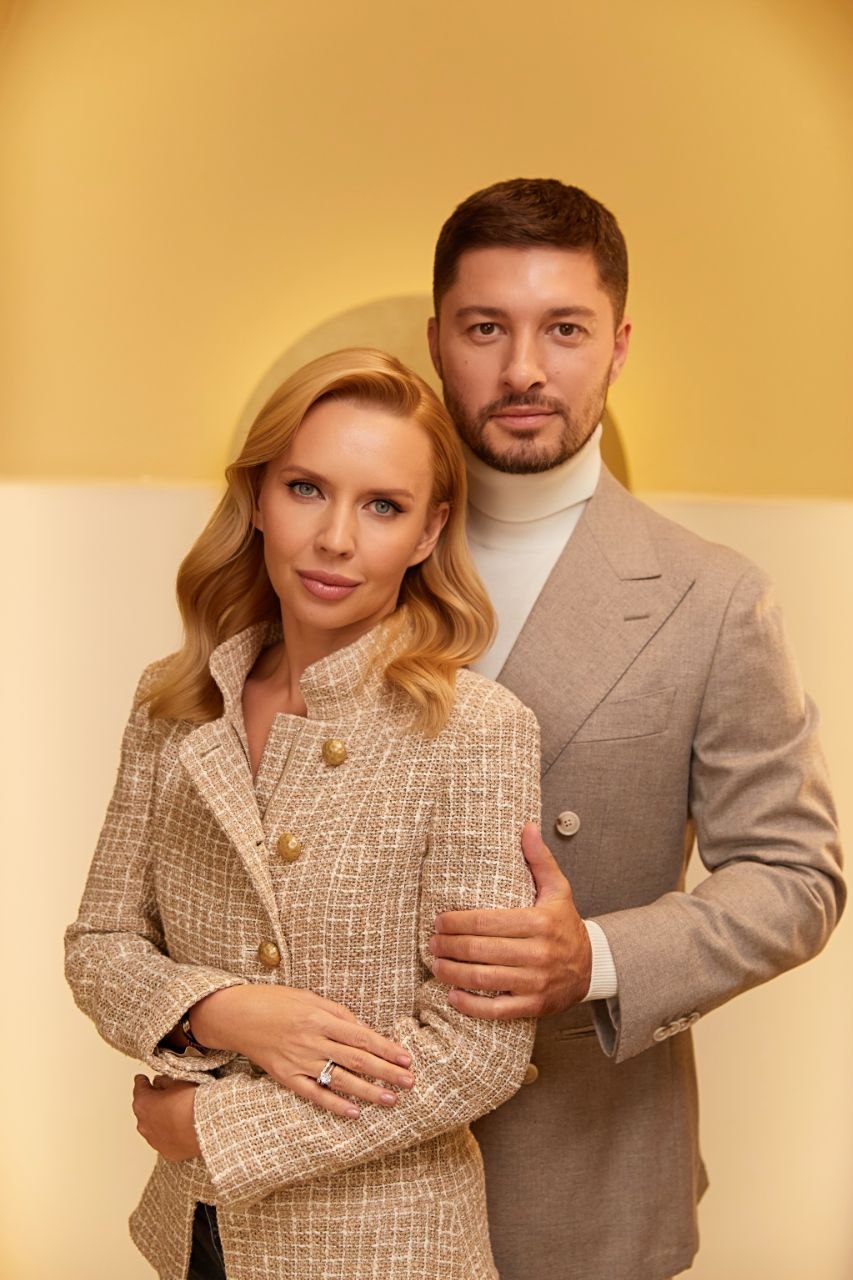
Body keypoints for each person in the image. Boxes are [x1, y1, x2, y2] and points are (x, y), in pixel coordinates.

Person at [422, 178, 845, 1280]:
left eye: (563, 329)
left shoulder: (713, 596)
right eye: (485, 327)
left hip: (581, 1178)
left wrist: (599, 957)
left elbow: (796, 874)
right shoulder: (347, 557)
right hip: (337, 1171)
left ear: (616, 345)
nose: (523, 368)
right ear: (436, 341)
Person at [65, 348, 541, 1280]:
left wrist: (216, 1124)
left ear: (428, 531)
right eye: (305, 488)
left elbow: (477, 1050)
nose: (334, 539)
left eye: (382, 506)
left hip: (390, 1251)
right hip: (195, 1239)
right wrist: (223, 1011)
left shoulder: (476, 730)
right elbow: (100, 945)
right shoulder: (175, 704)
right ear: (256, 498)